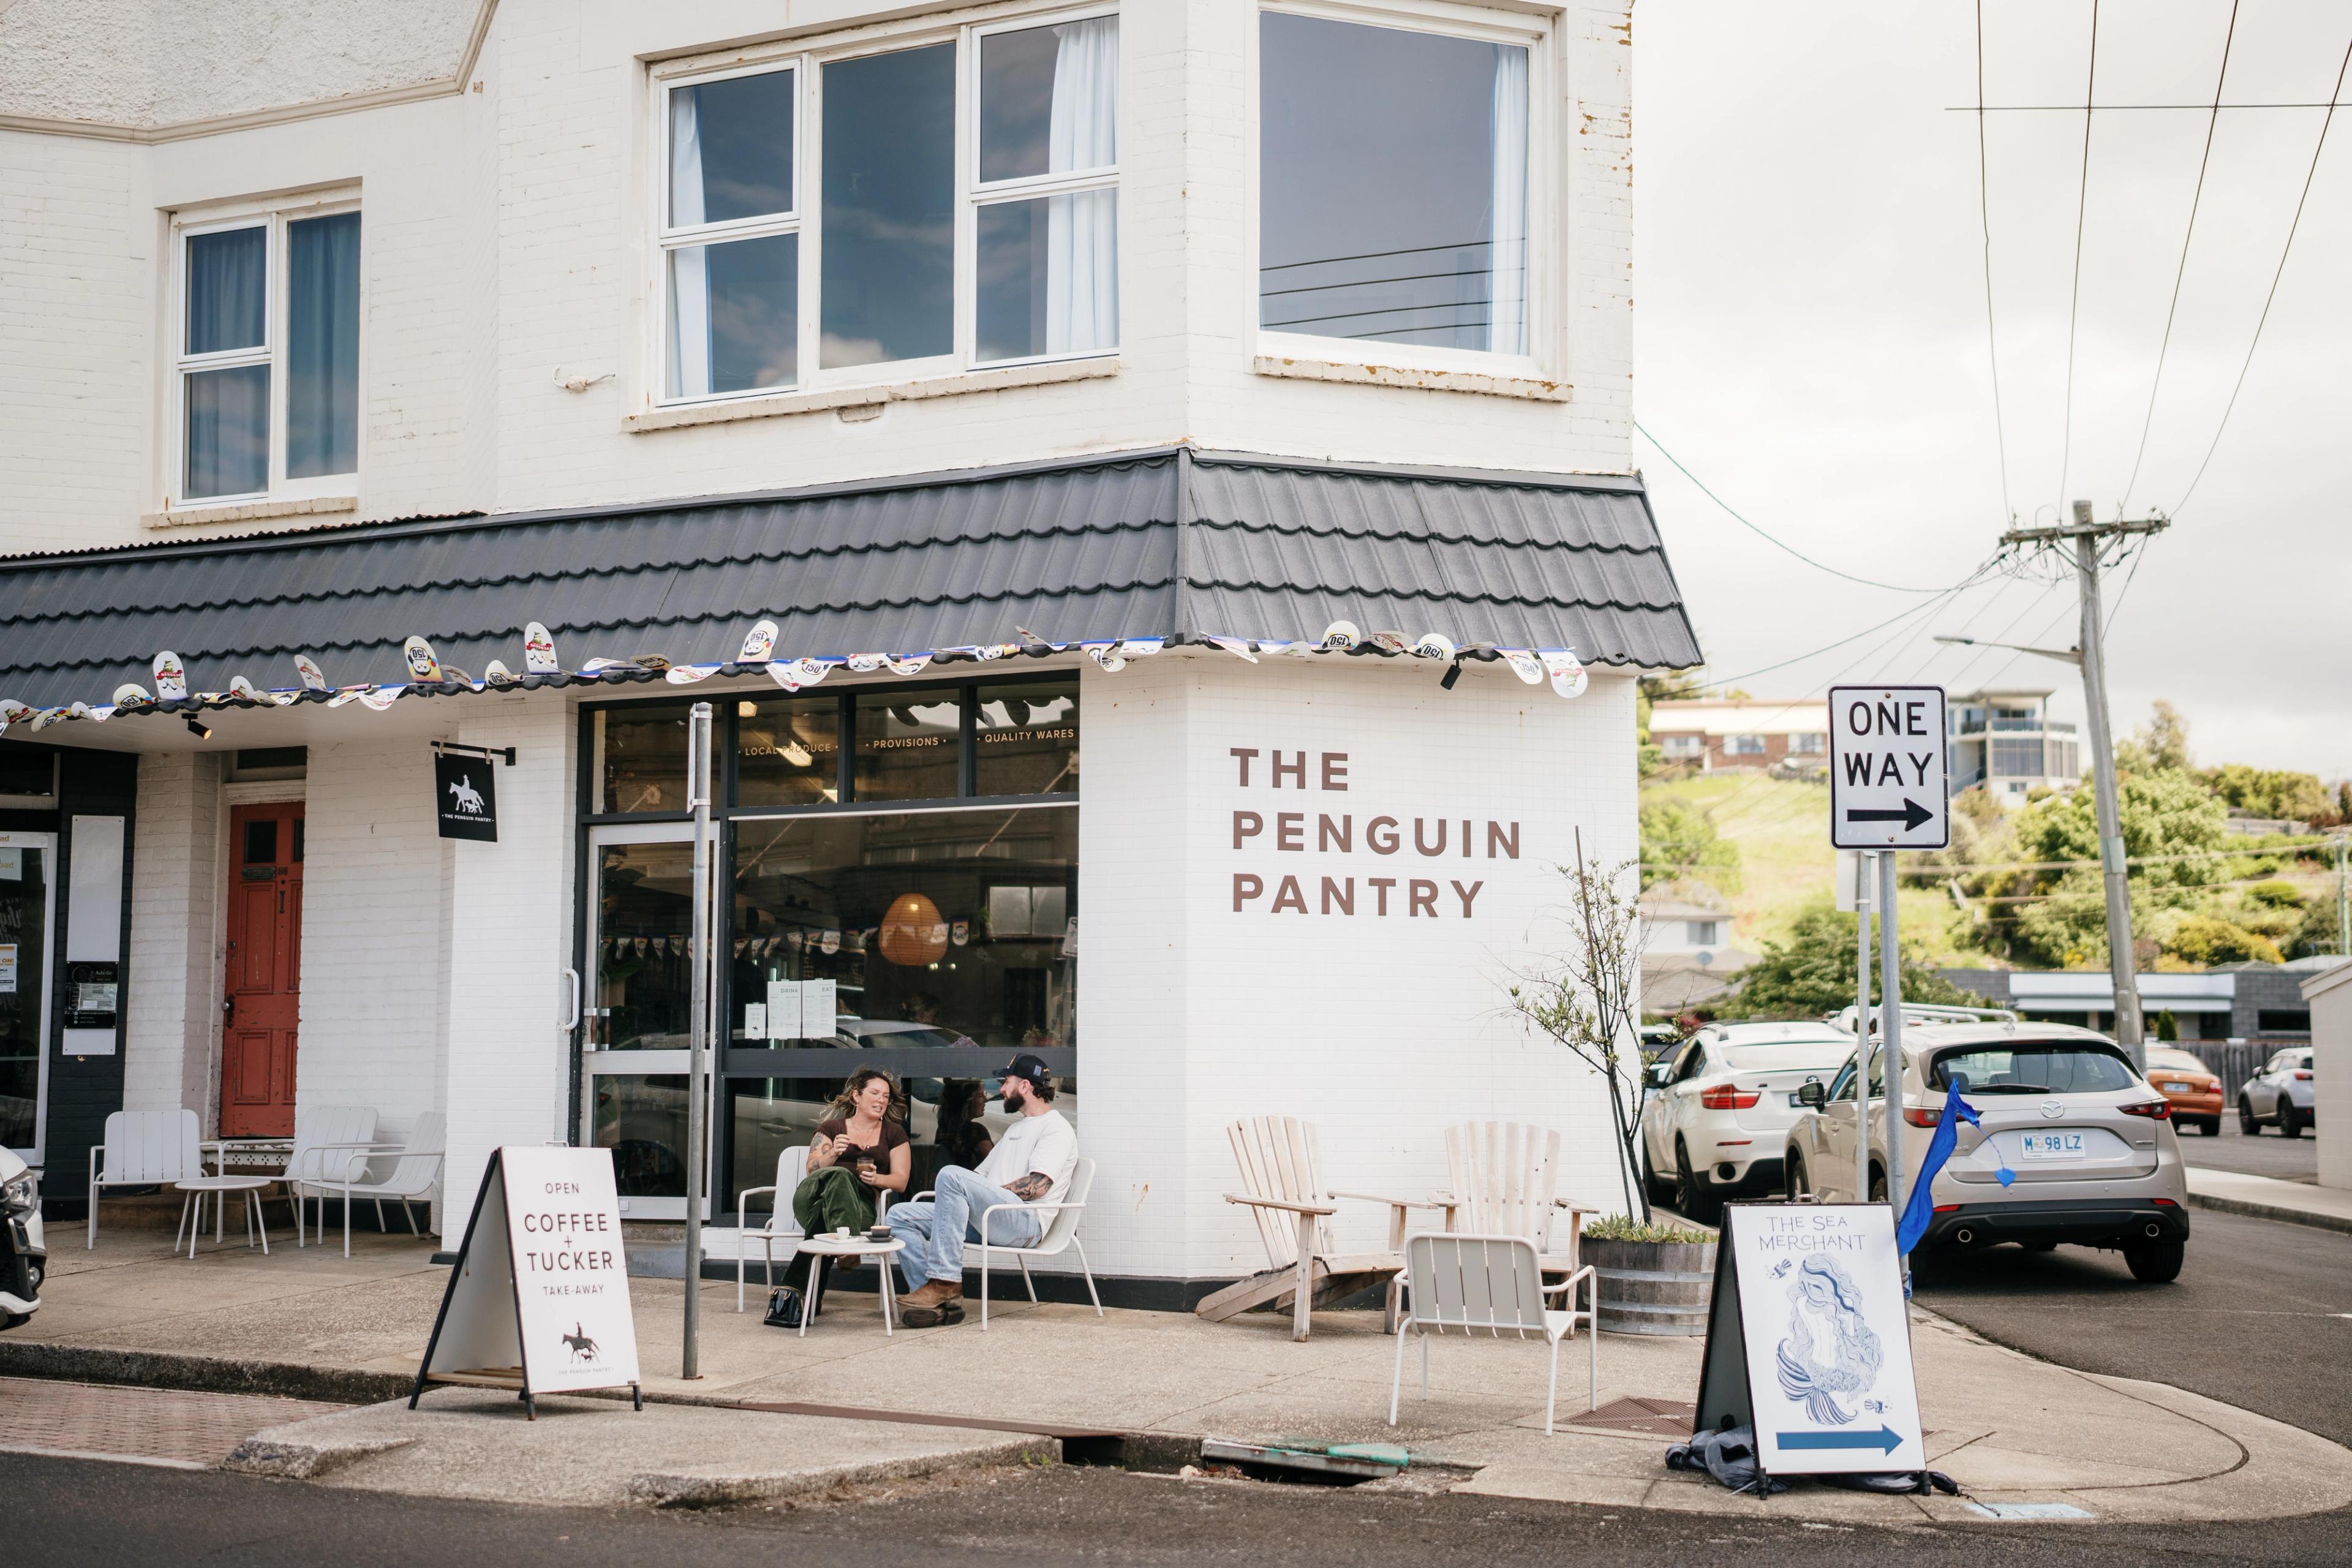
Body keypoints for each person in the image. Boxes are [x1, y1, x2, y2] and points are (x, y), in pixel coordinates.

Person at [889, 1053, 1075, 1326]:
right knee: (899, 1215)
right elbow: (978, 1177)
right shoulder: (1016, 1129)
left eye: (1006, 1082)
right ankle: (935, 1301)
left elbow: (1039, 1186)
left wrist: (980, 1198)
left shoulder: (1056, 1128)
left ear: (1024, 1086)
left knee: (951, 1175)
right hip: (990, 1217)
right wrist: (973, 1198)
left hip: (1024, 1222)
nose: (1001, 1090)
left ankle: (946, 1282)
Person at [775, 1068, 910, 1300]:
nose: (882, 1100)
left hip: (860, 1209)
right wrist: (833, 1154)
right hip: (813, 1196)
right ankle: (848, 1252)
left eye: (886, 1096)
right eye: (875, 1093)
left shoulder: (894, 1133)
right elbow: (811, 1170)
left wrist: (877, 1179)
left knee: (823, 1217)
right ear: (857, 1096)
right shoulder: (832, 1129)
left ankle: (801, 1296)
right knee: (839, 1175)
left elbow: (901, 1182)